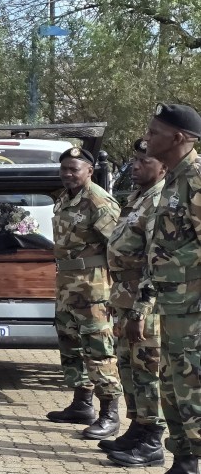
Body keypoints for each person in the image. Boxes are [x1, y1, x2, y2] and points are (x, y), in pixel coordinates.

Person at [136, 103, 201, 474]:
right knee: (175, 390)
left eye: (154, 132)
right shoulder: (174, 179)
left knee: (193, 390)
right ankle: (184, 461)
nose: (147, 139)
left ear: (178, 138)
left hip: (194, 309)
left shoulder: (196, 177)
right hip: (175, 307)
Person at [46, 147, 123, 441]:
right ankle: (81, 404)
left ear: (89, 171)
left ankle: (110, 415)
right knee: (72, 347)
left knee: (99, 350)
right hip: (67, 285)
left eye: (73, 169)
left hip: (93, 288)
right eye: (64, 169)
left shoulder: (98, 201)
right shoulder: (65, 199)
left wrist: (117, 291)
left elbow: (118, 248)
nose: (67, 174)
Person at [102, 139, 167, 467]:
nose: (137, 166)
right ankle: (138, 428)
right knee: (129, 367)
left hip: (146, 304)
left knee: (147, 369)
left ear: (163, 166)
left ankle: (153, 440)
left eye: (145, 161)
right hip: (125, 297)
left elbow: (157, 261)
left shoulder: (159, 202)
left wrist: (141, 309)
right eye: (135, 160)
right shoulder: (137, 198)